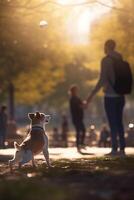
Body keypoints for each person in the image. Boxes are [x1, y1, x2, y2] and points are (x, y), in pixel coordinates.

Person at [86, 39, 126, 156]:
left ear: (106, 47)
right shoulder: (120, 58)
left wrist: (90, 96)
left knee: (112, 123)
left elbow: (102, 79)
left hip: (110, 96)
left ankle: (114, 149)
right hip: (121, 95)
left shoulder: (106, 60)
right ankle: (122, 148)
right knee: (119, 122)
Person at [69, 85, 86, 152]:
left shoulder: (77, 98)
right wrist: (82, 105)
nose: (76, 91)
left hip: (80, 118)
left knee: (83, 130)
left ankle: (81, 143)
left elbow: (82, 104)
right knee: (79, 131)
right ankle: (78, 145)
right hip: (76, 118)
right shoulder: (72, 99)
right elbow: (78, 106)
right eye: (75, 90)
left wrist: (84, 104)